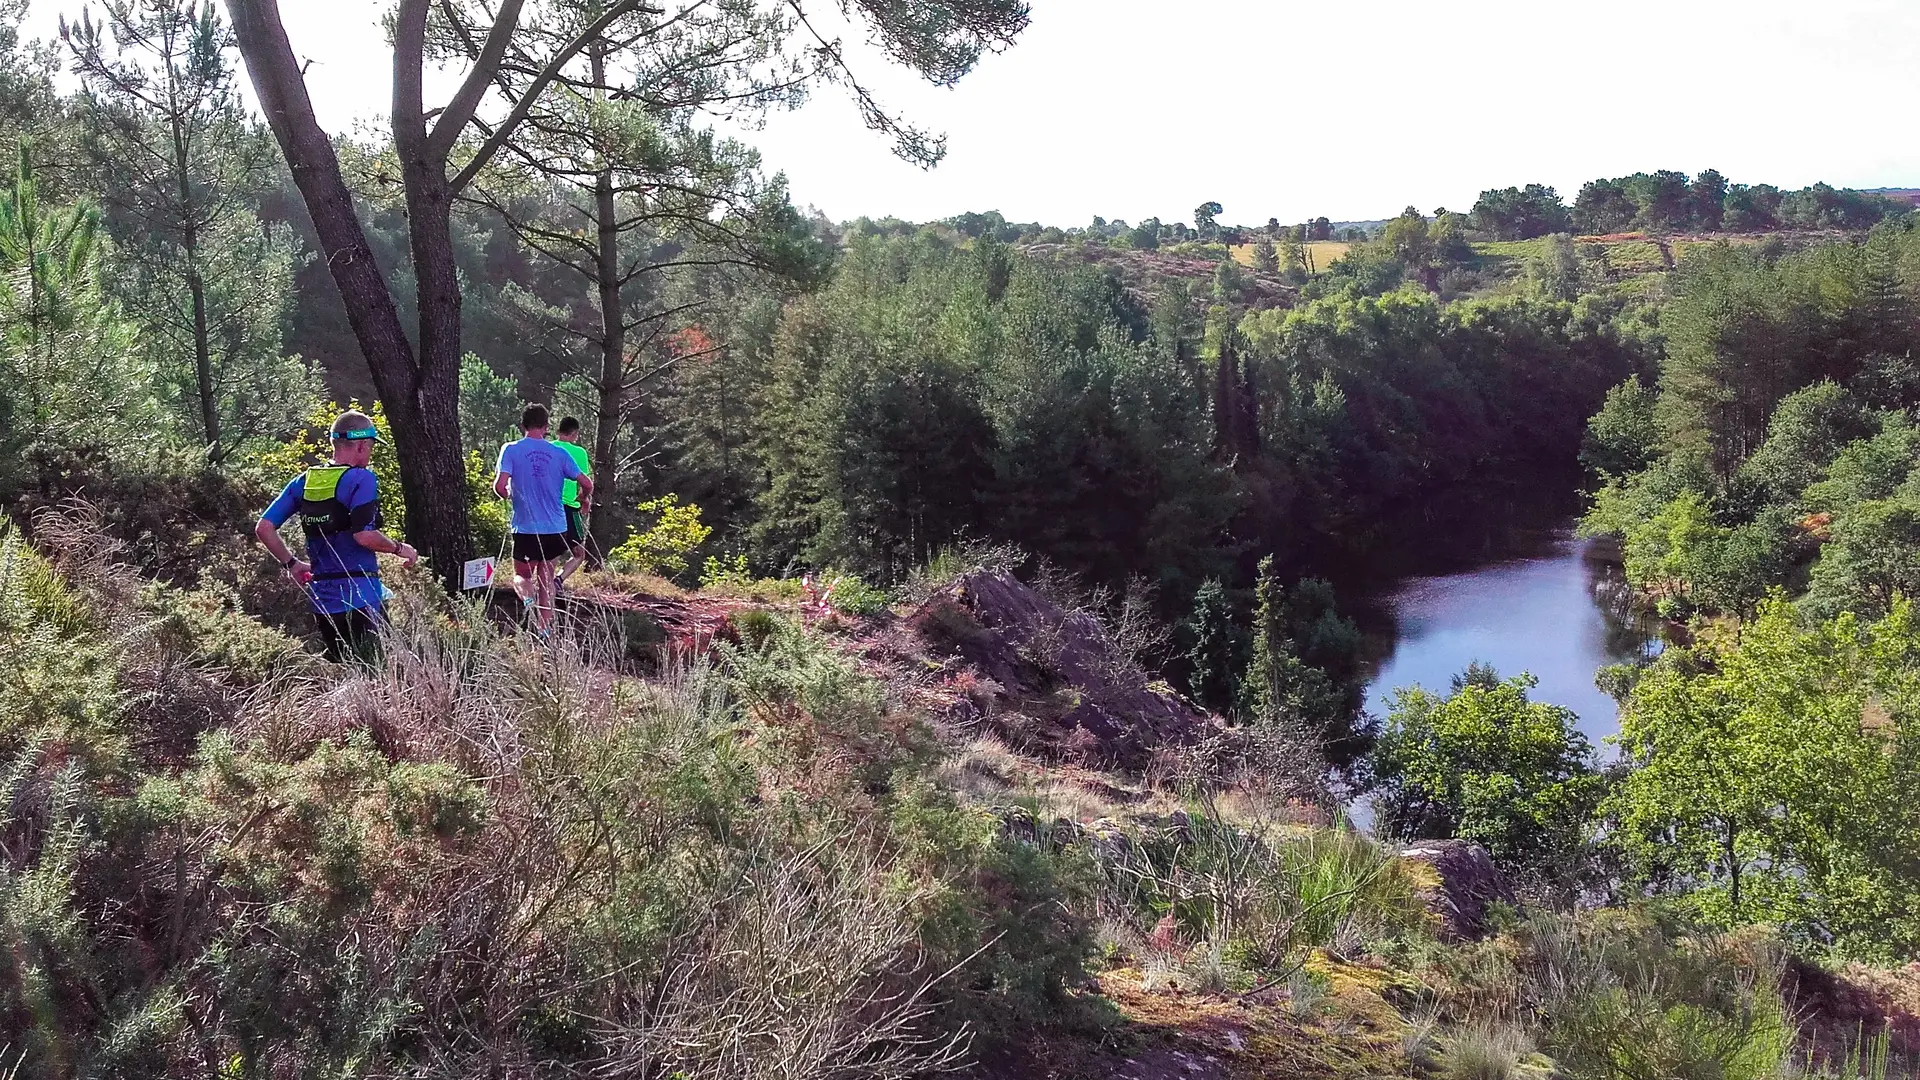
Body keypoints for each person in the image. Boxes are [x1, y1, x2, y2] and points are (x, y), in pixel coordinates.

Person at [253, 410, 417, 663]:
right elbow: (364, 535)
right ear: (362, 445)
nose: (370, 453)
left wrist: (292, 564)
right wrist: (399, 548)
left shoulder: (304, 481)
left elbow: (264, 527)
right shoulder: (361, 478)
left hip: (324, 602)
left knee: (347, 674)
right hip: (363, 596)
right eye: (371, 447)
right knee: (377, 676)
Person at [494, 403, 592, 633]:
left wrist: (507, 494)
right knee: (547, 580)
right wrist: (584, 498)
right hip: (556, 527)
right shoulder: (560, 453)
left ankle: (528, 601)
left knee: (521, 575)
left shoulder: (511, 449)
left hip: (526, 527)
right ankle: (544, 630)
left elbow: (500, 486)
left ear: (522, 426)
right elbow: (587, 483)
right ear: (546, 427)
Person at [552, 415, 593, 587]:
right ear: (575, 433)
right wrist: (584, 500)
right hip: (569, 506)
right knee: (578, 554)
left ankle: (543, 582)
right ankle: (557, 581)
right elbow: (584, 483)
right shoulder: (579, 453)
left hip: (548, 505)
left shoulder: (548, 447)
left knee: (549, 550)